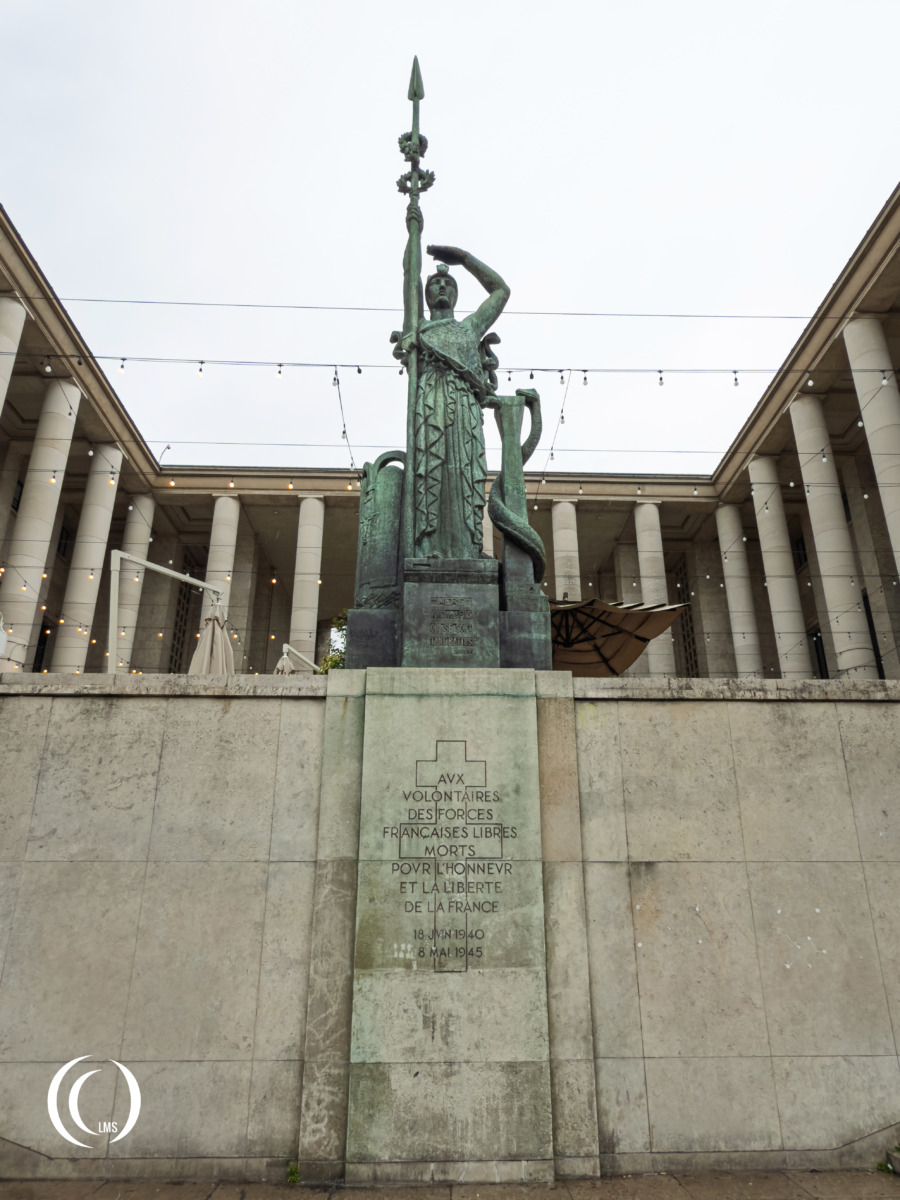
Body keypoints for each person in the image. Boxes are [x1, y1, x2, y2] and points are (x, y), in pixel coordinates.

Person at [395, 207, 510, 560]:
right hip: (430, 400)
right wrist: (414, 230)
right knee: (431, 470)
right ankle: (427, 546)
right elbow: (409, 276)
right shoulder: (418, 326)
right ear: (427, 295)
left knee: (464, 473)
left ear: (456, 294)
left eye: (447, 283)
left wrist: (464, 259)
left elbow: (501, 291)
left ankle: (468, 548)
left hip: (464, 404)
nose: (441, 286)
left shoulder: (469, 328)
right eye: (435, 284)